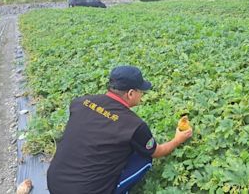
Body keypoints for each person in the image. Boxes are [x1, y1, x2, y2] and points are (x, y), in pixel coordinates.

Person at [47, 65, 192, 194]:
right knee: (144, 158)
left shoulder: (80, 102)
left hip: (54, 183)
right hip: (89, 190)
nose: (142, 95)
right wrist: (177, 140)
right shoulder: (134, 125)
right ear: (130, 93)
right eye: (141, 91)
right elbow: (157, 152)